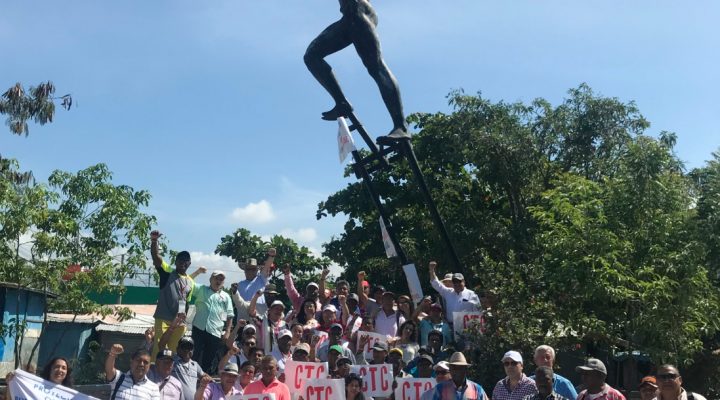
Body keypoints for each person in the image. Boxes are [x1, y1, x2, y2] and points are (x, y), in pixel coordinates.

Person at [304, 0, 409, 141]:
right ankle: (342, 103)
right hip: (348, 16)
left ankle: (401, 126)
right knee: (311, 56)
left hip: (357, 9)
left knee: (376, 67)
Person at [150, 230, 196, 357]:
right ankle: (154, 369)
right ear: (175, 262)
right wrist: (154, 241)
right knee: (159, 350)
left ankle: (171, 370)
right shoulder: (167, 273)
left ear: (189, 263)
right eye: (180, 260)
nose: (183, 262)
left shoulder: (190, 282)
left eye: (186, 260)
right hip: (163, 318)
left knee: (174, 352)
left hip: (179, 322)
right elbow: (156, 257)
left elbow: (186, 302)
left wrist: (183, 319)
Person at [192, 270, 235, 374]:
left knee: (210, 359)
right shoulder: (201, 289)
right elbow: (188, 281)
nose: (218, 281)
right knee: (194, 355)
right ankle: (191, 376)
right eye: (216, 278)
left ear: (223, 282)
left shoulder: (226, 296)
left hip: (215, 331)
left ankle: (205, 379)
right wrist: (198, 272)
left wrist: (227, 332)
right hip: (198, 328)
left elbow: (230, 315)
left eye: (221, 279)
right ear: (210, 279)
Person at [5, 357, 74, 400]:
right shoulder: (34, 387)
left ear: (67, 372)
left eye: (64, 368)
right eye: (56, 367)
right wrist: (10, 382)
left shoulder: (71, 396)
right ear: (50, 369)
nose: (60, 370)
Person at [236, 249, 275, 318]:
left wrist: (271, 256)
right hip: (244, 318)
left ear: (257, 270)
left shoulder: (261, 279)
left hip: (260, 316)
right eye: (248, 269)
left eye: (253, 269)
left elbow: (267, 266)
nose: (250, 271)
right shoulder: (239, 285)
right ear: (244, 270)